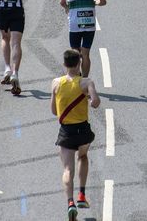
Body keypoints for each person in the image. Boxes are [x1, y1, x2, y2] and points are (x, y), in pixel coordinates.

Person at [51, 49, 100, 220]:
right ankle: (82, 196)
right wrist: (89, 98)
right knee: (83, 157)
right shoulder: (86, 82)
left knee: (67, 169)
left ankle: (70, 203)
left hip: (66, 131)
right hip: (83, 130)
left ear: (64, 64)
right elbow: (95, 103)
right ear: (79, 63)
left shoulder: (56, 83)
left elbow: (53, 110)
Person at [58, 0, 107, 76]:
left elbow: (62, 1)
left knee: (75, 53)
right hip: (90, 22)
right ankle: (85, 79)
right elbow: (103, 1)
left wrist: (67, 8)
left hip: (75, 23)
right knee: (86, 54)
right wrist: (94, 2)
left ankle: (76, 78)